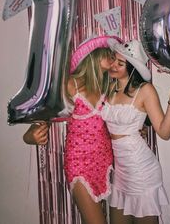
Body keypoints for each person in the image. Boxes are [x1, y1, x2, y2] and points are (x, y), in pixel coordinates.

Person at [23, 35, 121, 224]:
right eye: (108, 54)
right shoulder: (70, 85)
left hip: (104, 161)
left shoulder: (107, 87)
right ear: (94, 55)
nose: (112, 58)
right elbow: (42, 116)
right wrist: (30, 135)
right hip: (79, 164)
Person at [101, 39, 170, 224]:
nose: (113, 65)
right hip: (120, 172)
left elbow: (164, 133)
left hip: (141, 170)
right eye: (113, 60)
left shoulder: (145, 90)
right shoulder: (108, 88)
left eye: (120, 63)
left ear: (132, 67)